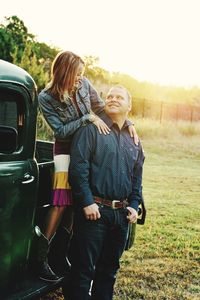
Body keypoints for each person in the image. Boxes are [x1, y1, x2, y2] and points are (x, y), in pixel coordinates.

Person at [37, 51, 139, 282]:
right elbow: (60, 132)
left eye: (82, 74)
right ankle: (40, 258)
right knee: (61, 202)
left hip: (89, 148)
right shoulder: (45, 97)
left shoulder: (83, 85)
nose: (81, 79)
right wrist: (86, 119)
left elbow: (102, 108)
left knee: (76, 203)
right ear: (65, 72)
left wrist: (128, 122)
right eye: (77, 74)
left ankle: (60, 254)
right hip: (65, 149)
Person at [63, 85, 145, 300]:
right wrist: (87, 202)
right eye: (109, 96)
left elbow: (137, 176)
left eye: (119, 97)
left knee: (109, 271)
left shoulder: (134, 138)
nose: (113, 99)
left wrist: (134, 205)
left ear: (129, 105)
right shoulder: (91, 130)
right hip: (94, 212)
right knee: (83, 271)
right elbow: (78, 169)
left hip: (121, 216)